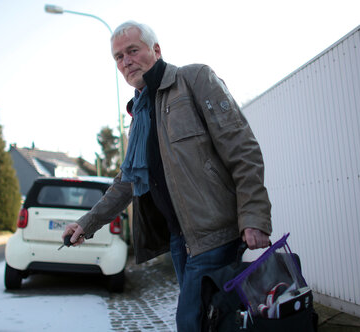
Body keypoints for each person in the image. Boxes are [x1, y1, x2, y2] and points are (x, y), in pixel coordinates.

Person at [62, 20, 272, 331]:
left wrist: (254, 215)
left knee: (190, 322)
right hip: (180, 241)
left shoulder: (194, 80)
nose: (126, 62)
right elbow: (127, 183)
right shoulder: (140, 114)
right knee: (214, 322)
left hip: (215, 234)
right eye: (118, 57)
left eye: (132, 51)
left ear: (155, 50)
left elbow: (242, 149)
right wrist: (86, 223)